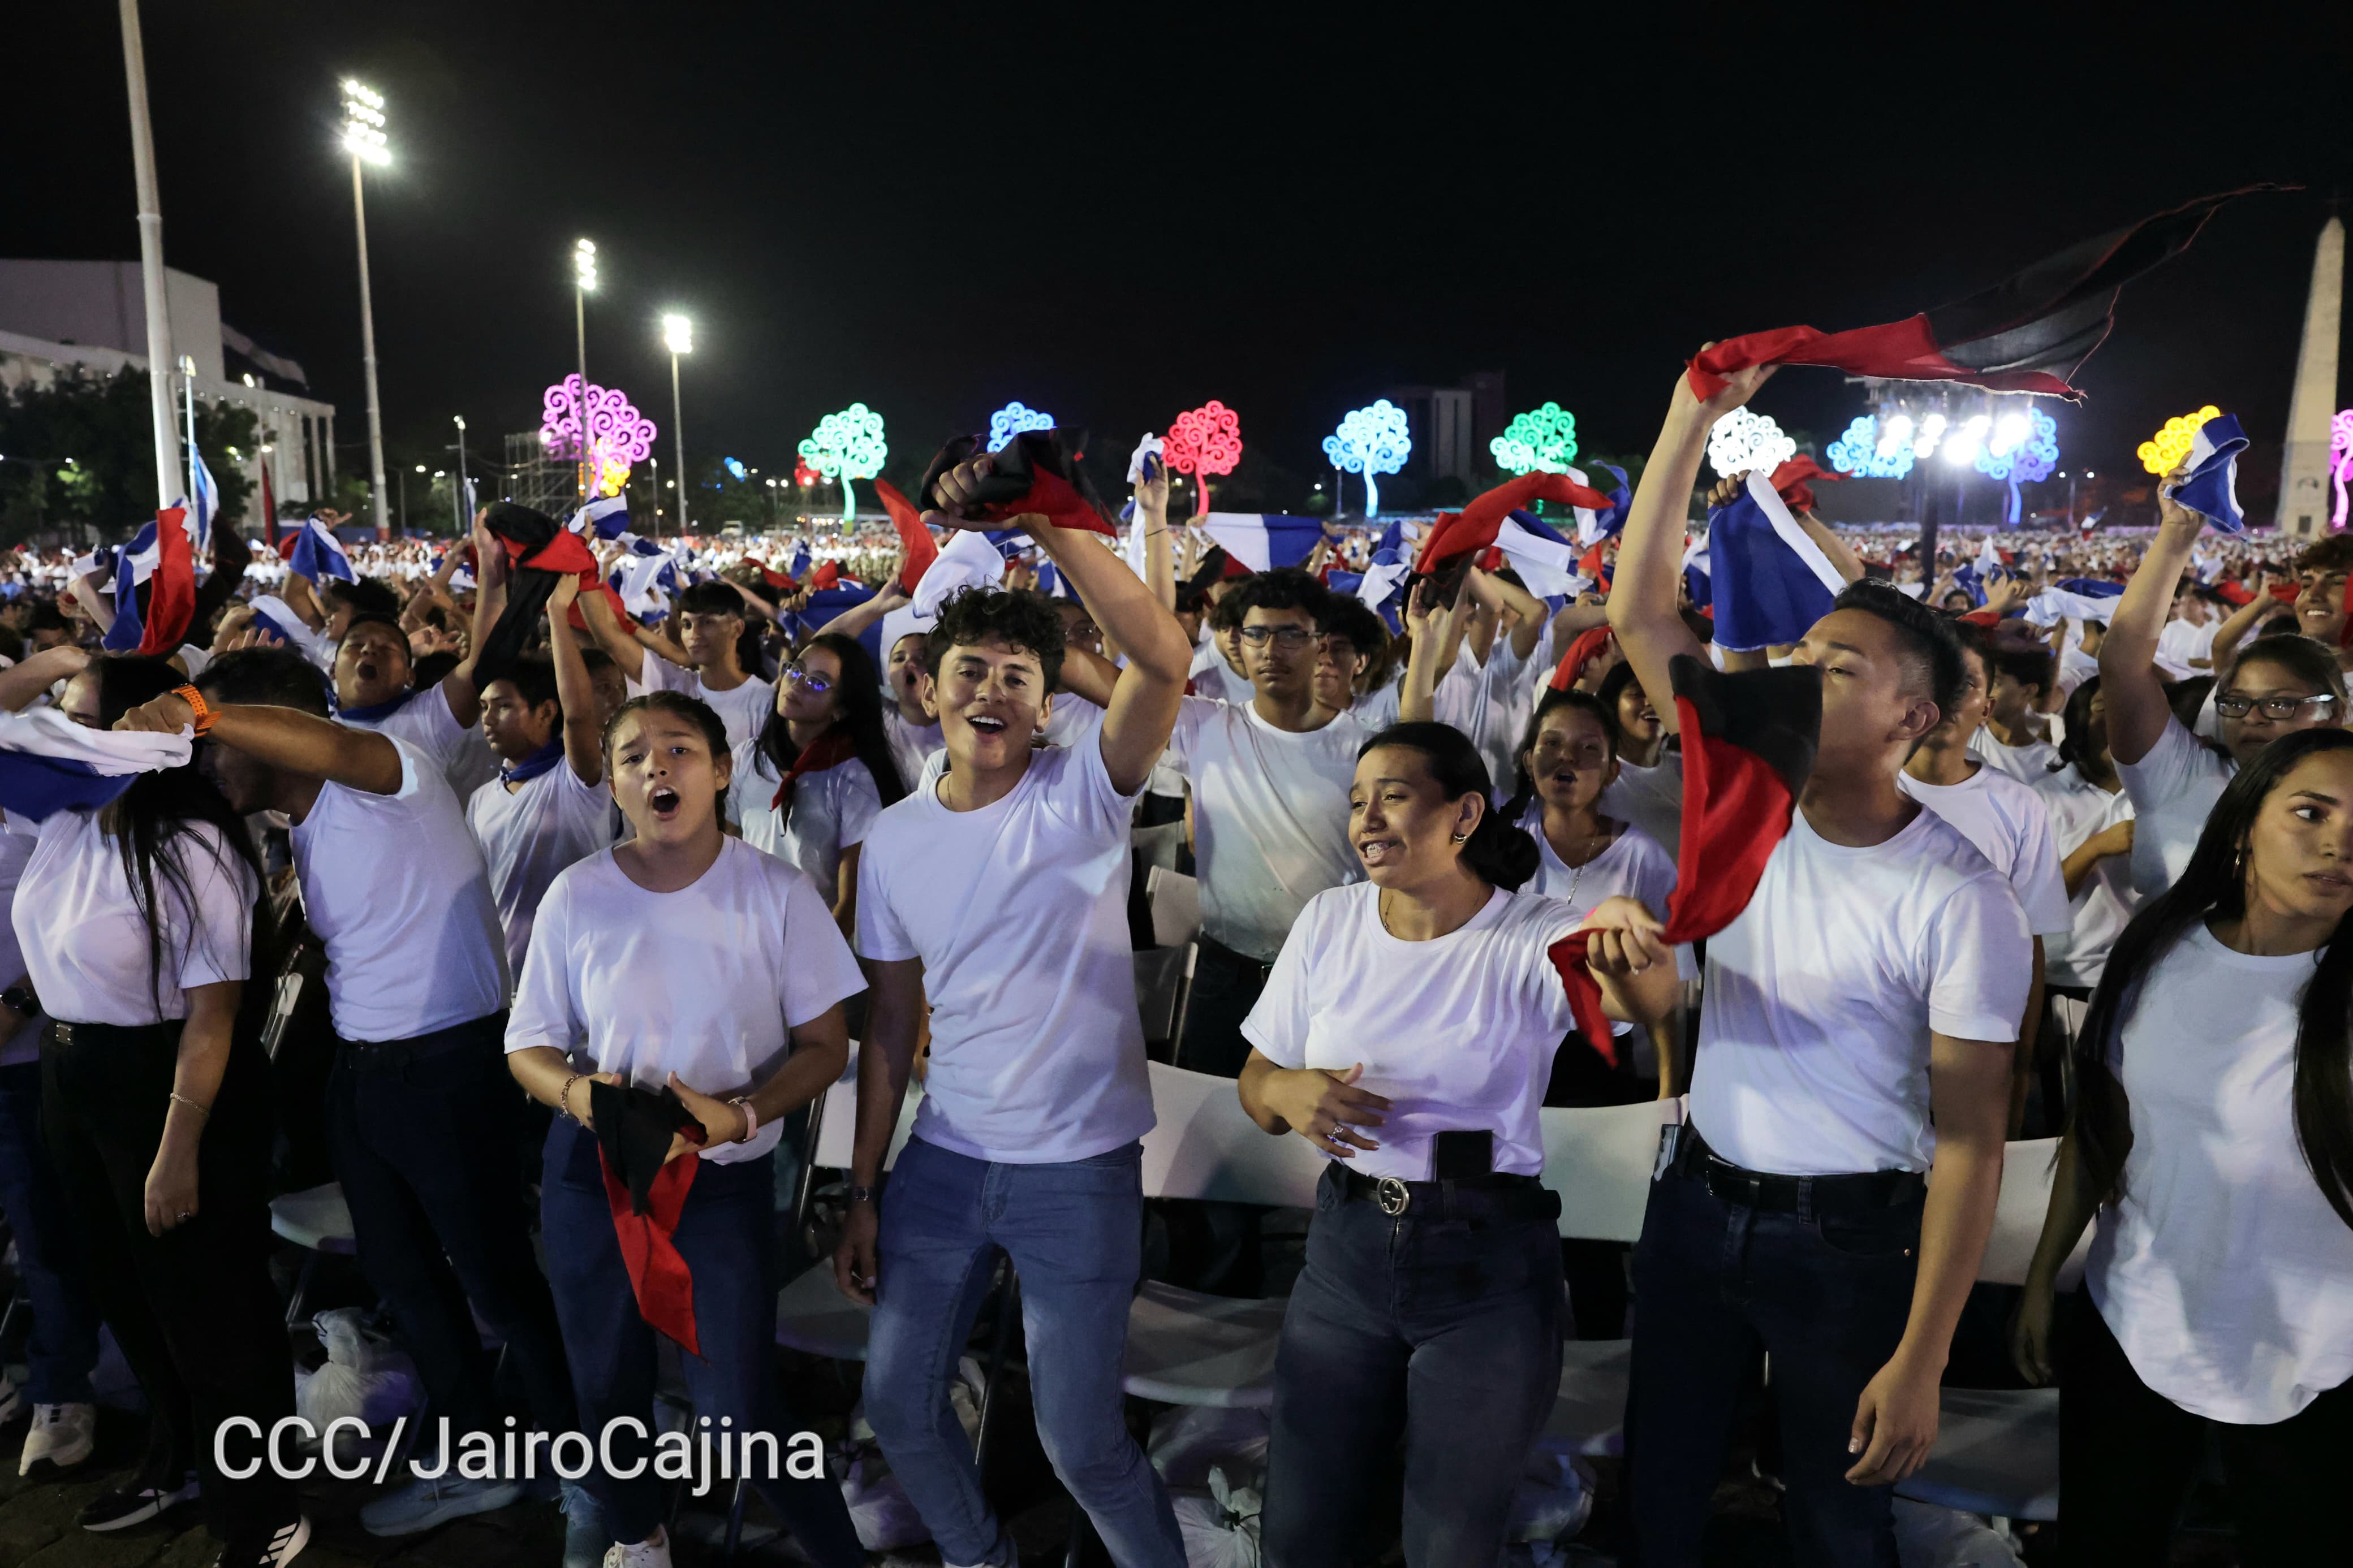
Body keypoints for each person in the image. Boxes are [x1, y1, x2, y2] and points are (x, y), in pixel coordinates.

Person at [1596, 358, 2029, 1566]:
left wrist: (1923, 1357)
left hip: (1848, 1244)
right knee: (1660, 1487)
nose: (1797, 673)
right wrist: (1689, 415)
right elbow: (1640, 617)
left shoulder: (1961, 897)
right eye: (1801, 651)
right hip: (1696, 1203)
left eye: (1837, 668)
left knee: (1838, 1518)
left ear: (1913, 718)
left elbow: (1971, 1141)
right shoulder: (1741, 794)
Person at [837, 453, 1193, 1568]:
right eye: (970, 669)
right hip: (942, 1161)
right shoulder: (893, 840)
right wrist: (864, 1187)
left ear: (1047, 705)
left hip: (1077, 1167)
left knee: (1082, 1442)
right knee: (899, 1406)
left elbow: (1163, 660)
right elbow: (889, 1027)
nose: (990, 690)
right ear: (925, 687)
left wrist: (1050, 521)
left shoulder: (1083, 792)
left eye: (1017, 675)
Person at [129, 649, 576, 1536]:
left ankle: (587, 1470)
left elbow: (332, 744)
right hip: (366, 1073)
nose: (204, 761)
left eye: (217, 740)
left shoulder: (387, 773)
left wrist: (197, 710)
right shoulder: (299, 824)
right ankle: (477, 1455)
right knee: (406, 1281)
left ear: (272, 726)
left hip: (448, 1069)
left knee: (497, 1281)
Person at [1238, 722, 1676, 1568]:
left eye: (1393, 797)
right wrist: (1285, 1091)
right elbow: (1257, 1081)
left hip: (1484, 1265)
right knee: (1299, 1532)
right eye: (1358, 802)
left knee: (1449, 1541)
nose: (1367, 819)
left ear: (1465, 815)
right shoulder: (1329, 919)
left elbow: (1640, 1001)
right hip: (1344, 1252)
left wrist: (1630, 939)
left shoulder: (1533, 934)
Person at [506, 692, 868, 1568]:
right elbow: (528, 1045)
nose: (656, 767)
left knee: (739, 1411)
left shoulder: (776, 892)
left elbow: (826, 1045)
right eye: (633, 756)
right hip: (597, 1167)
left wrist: (740, 1114)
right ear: (615, 785)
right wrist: (578, 1095)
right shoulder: (578, 894)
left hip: (720, 1176)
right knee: (605, 1381)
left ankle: (841, 1557)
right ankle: (638, 1536)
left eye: (678, 749)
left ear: (719, 771)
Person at [2012, 728, 2353, 1566]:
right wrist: (2043, 1277)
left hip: (2320, 1358)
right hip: (2136, 1322)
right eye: (2310, 812)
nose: (2338, 843)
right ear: (2242, 825)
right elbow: (2102, 1129)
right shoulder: (2160, 948)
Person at [7, 653, 307, 1564]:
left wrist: (179, 1147)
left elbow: (214, 1013)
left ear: (140, 733)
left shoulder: (194, 841)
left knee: (210, 1305)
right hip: (74, 1073)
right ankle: (180, 1461)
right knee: (126, 1290)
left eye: (82, 714)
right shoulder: (71, 815)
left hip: (169, 1083)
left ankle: (263, 1509)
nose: (63, 728)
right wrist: (63, 658)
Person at [1163, 568, 1371, 1078]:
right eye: (1257, 633)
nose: (1271, 650)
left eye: (1290, 634)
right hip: (1224, 971)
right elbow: (1112, 681)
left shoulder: (1365, 751)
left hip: (1326, 977)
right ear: (1239, 642)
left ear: (1321, 644)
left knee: (1312, 1120)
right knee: (1210, 1109)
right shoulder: (1205, 726)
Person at [2102, 477, 2347, 899]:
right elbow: (2122, 666)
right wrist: (2177, 535)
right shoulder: (2183, 777)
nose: (2253, 718)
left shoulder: (2345, 807)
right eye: (2236, 703)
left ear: (2335, 714)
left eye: (2281, 705)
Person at [1899, 621, 2073, 1130]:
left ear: (1987, 708)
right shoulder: (1865, 791)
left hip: (1972, 1046)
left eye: (1967, 684)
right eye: (1934, 678)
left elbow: (2029, 944)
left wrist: (2019, 1071)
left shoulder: (2019, 806)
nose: (1947, 697)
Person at [0, 650, 104, 1478]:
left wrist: (15, 1005)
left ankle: (62, 1392)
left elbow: (82, 912)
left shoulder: (40, 797)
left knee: (46, 1232)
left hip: (26, 1058)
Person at [464, 577, 615, 979]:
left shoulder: (577, 779)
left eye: (503, 706)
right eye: (484, 707)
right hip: (505, 982)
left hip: (582, 975)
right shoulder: (481, 799)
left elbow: (579, 715)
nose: (488, 719)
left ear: (547, 712)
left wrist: (556, 613)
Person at [727, 630, 905, 938]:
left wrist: (813, 954)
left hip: (816, 937)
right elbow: (728, 848)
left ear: (841, 709)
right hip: (750, 930)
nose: (797, 683)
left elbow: (851, 902)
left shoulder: (852, 778)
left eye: (818, 683)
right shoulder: (748, 757)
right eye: (795, 670)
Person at [583, 580, 775, 751]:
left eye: (707, 623)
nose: (694, 634)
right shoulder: (673, 684)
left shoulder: (765, 701)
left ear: (738, 628)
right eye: (687, 625)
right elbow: (609, 638)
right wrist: (583, 571)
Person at [1595, 660, 1683, 859]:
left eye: (1660, 694)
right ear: (1613, 704)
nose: (1651, 702)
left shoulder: (1688, 768)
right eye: (1637, 694)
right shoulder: (1598, 777)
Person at [1970, 636, 2059, 783]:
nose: (1984, 694)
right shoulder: (1965, 733)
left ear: (2029, 691)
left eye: (1996, 684)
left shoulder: (2049, 762)